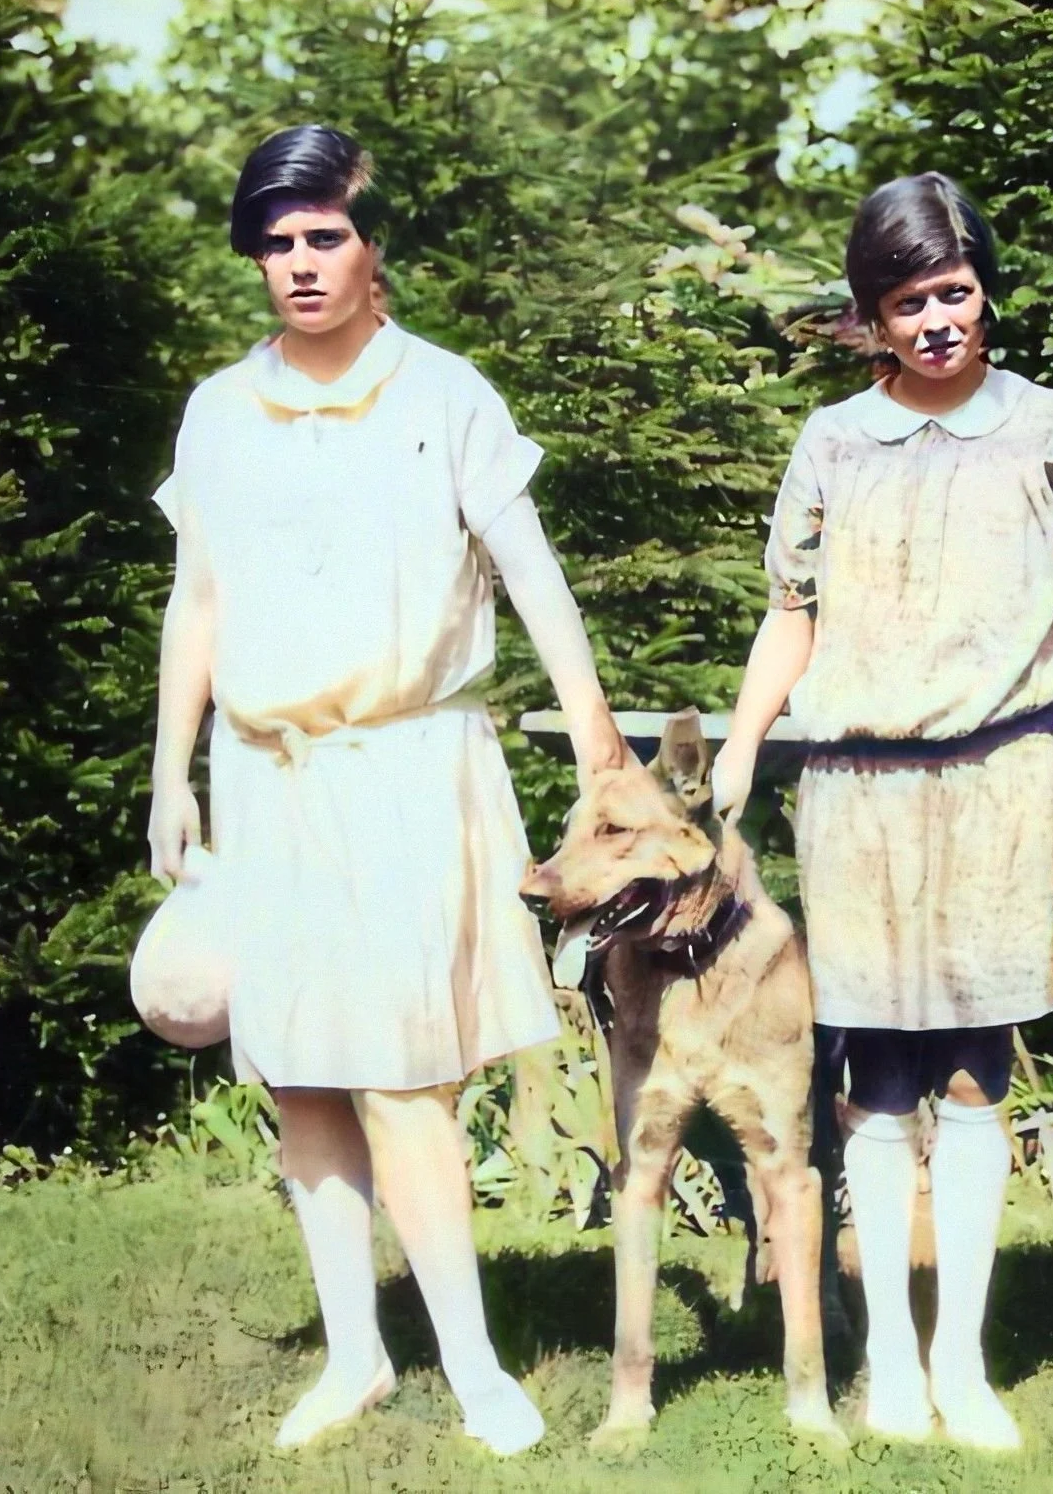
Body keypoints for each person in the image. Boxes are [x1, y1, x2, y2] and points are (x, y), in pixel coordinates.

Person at [145, 124, 628, 1456]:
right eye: (276, 243)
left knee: (410, 1082)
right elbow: (199, 601)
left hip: (414, 765)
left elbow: (531, 577)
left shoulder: (442, 396)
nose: (299, 266)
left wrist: (595, 741)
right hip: (267, 779)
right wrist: (169, 773)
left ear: (372, 249)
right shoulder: (220, 413)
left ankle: (472, 1367)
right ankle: (354, 1357)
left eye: (325, 238)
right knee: (301, 1077)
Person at [711, 172, 1053, 1451]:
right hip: (859, 795)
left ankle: (962, 1362)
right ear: (871, 315)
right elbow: (793, 611)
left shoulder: (1049, 428)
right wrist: (738, 749)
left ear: (983, 287)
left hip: (1002, 781)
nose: (936, 321)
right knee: (875, 1080)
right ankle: (886, 1352)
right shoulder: (832, 440)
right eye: (905, 303)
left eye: (952, 292)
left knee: (972, 1072)